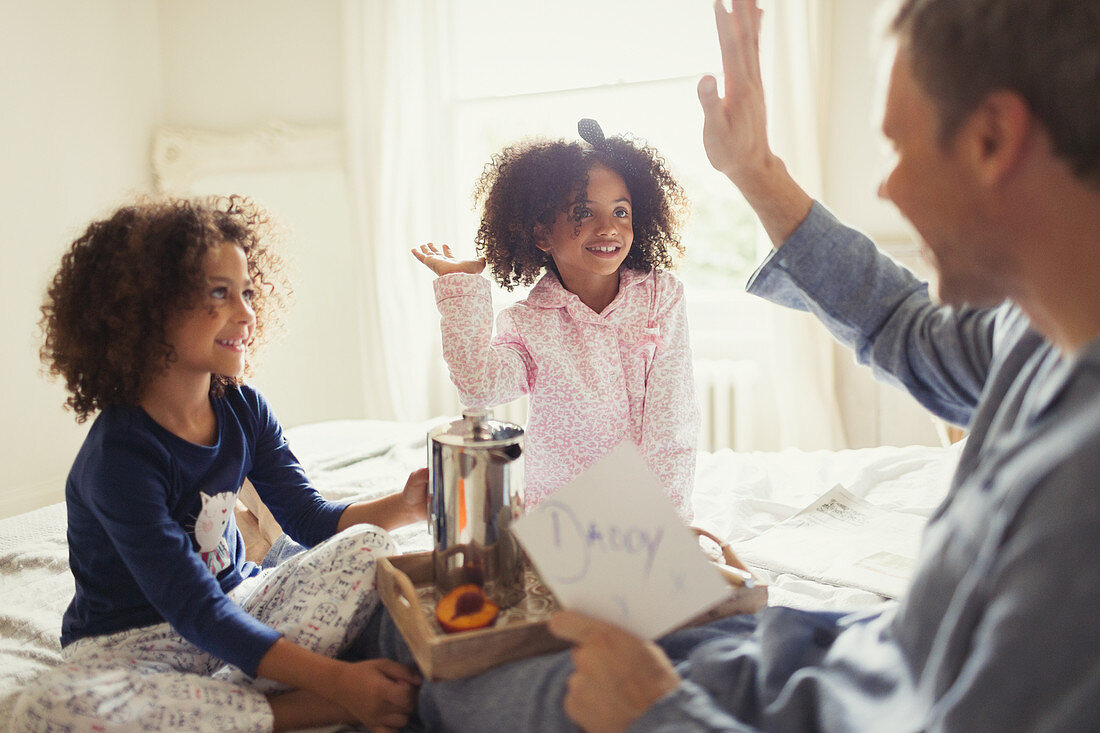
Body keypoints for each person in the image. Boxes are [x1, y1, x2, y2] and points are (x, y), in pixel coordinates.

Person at [405, 0, 1100, 730]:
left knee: (462, 684)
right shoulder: (1037, 331)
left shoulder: (1077, 498)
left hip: (851, 694)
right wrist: (755, 169)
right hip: (841, 654)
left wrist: (656, 712)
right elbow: (906, 325)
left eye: (896, 146)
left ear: (993, 138)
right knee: (455, 655)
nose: (888, 188)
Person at [13, 196, 428, 733]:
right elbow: (193, 610)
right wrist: (339, 684)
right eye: (219, 293)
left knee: (371, 547)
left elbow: (307, 520)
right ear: (147, 306)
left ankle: (210, 709)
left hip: (240, 601)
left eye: (248, 292)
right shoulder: (118, 458)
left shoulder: (242, 406)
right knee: (46, 709)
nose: (247, 312)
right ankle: (298, 708)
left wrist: (404, 506)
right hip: (135, 649)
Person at [411, 120, 700, 520]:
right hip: (564, 519)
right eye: (584, 212)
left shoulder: (660, 296)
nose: (608, 228)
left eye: (621, 211)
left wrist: (668, 523)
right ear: (543, 234)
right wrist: (460, 285)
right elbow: (478, 388)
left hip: (652, 511)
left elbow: (673, 423)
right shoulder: (529, 323)